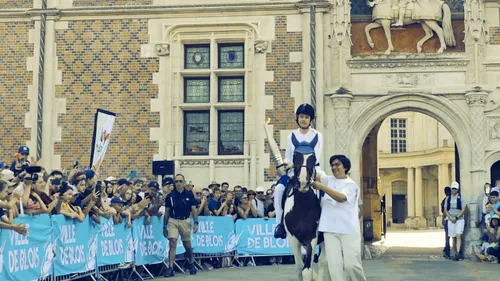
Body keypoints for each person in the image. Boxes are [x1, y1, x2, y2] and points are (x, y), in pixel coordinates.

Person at [312, 155, 367, 281]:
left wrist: (321, 187)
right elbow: (316, 174)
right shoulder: (329, 180)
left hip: (349, 230)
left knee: (352, 265)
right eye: (332, 165)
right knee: (334, 267)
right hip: (330, 229)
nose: (334, 167)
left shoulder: (351, 185)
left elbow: (341, 198)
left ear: (345, 167)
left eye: (337, 164)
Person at [274, 103, 324, 239]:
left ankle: (324, 224)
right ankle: (279, 224)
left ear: (310, 119)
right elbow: (288, 156)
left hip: (313, 169)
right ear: (297, 118)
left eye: (306, 117)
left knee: (326, 187)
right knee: (278, 189)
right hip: (293, 171)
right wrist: (287, 165)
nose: (303, 119)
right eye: (301, 116)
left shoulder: (318, 135)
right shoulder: (291, 136)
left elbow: (316, 156)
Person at [163, 174, 199, 278]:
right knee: (172, 242)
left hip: (185, 220)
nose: (178, 183)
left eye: (180, 181)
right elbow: (167, 211)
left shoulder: (189, 195)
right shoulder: (170, 196)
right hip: (173, 220)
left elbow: (194, 209)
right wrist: (164, 226)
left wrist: (196, 222)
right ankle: (170, 268)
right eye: (177, 181)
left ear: (184, 182)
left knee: (187, 245)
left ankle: (191, 262)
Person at [443, 181, 467, 261]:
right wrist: (449, 217)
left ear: (457, 189)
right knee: (453, 236)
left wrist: (456, 217)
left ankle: (457, 252)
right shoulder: (448, 198)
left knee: (458, 235)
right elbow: (445, 209)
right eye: (453, 189)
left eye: (455, 189)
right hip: (451, 219)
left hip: (459, 219)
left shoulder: (461, 197)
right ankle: (454, 253)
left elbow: (463, 209)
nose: (454, 190)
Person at [440, 186, 451, 258]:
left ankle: (447, 250)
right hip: (454, 218)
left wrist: (443, 218)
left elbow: (444, 210)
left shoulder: (445, 200)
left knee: (447, 236)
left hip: (448, 219)